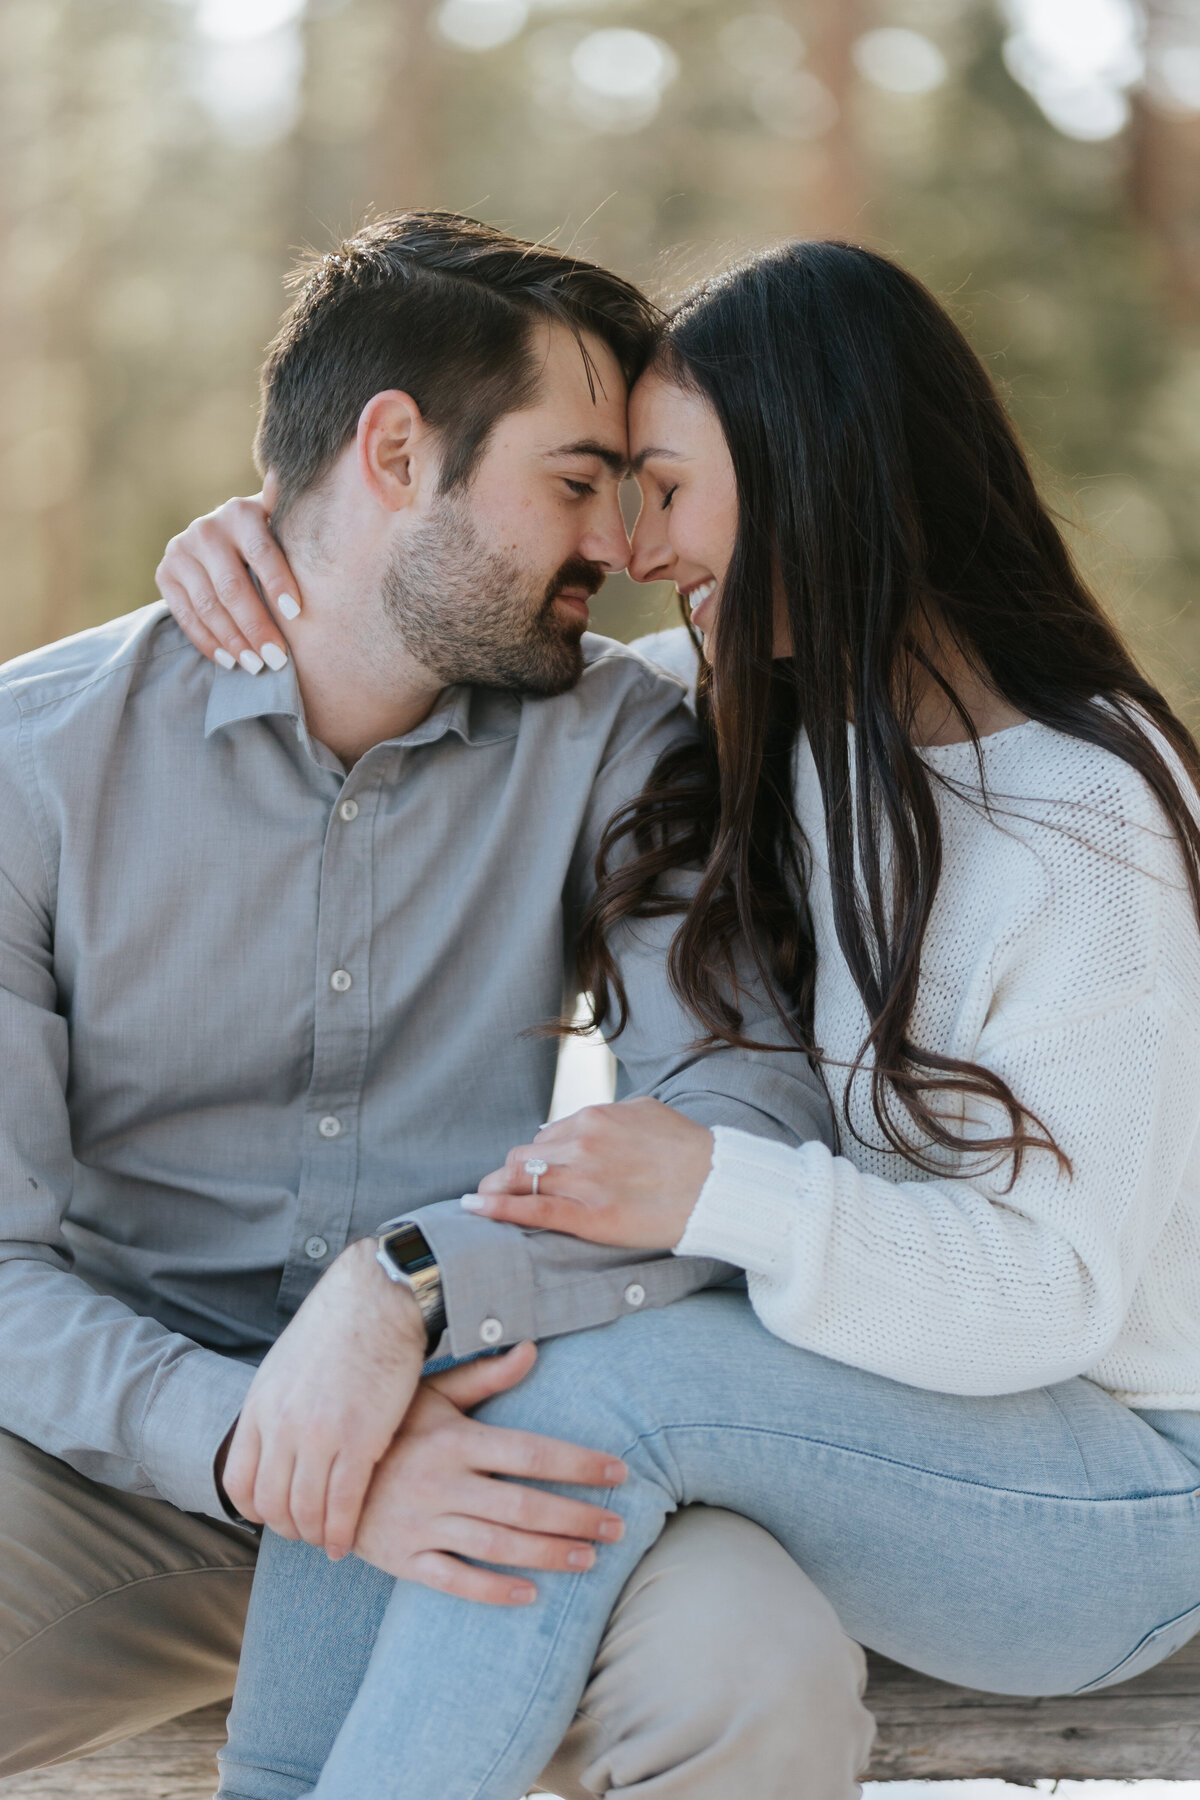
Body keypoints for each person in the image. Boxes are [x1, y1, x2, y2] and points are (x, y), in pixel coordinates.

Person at [182, 239, 1200, 1800]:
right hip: (897, 1424)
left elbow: (1055, 1293)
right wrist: (285, 549)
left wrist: (719, 1185)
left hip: (1118, 1499)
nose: (641, 547)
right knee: (450, 1367)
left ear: (817, 467)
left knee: (574, 1383)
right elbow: (466, 638)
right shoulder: (798, 714)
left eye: (665, 487)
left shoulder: (1092, 819)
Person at [0, 213, 870, 1798]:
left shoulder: (620, 743)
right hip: (112, 1463)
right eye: (574, 482)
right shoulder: (32, 768)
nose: (613, 542)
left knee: (758, 1681)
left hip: (502, 1427)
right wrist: (257, 1433)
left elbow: (744, 1122)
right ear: (395, 451)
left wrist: (417, 1285)